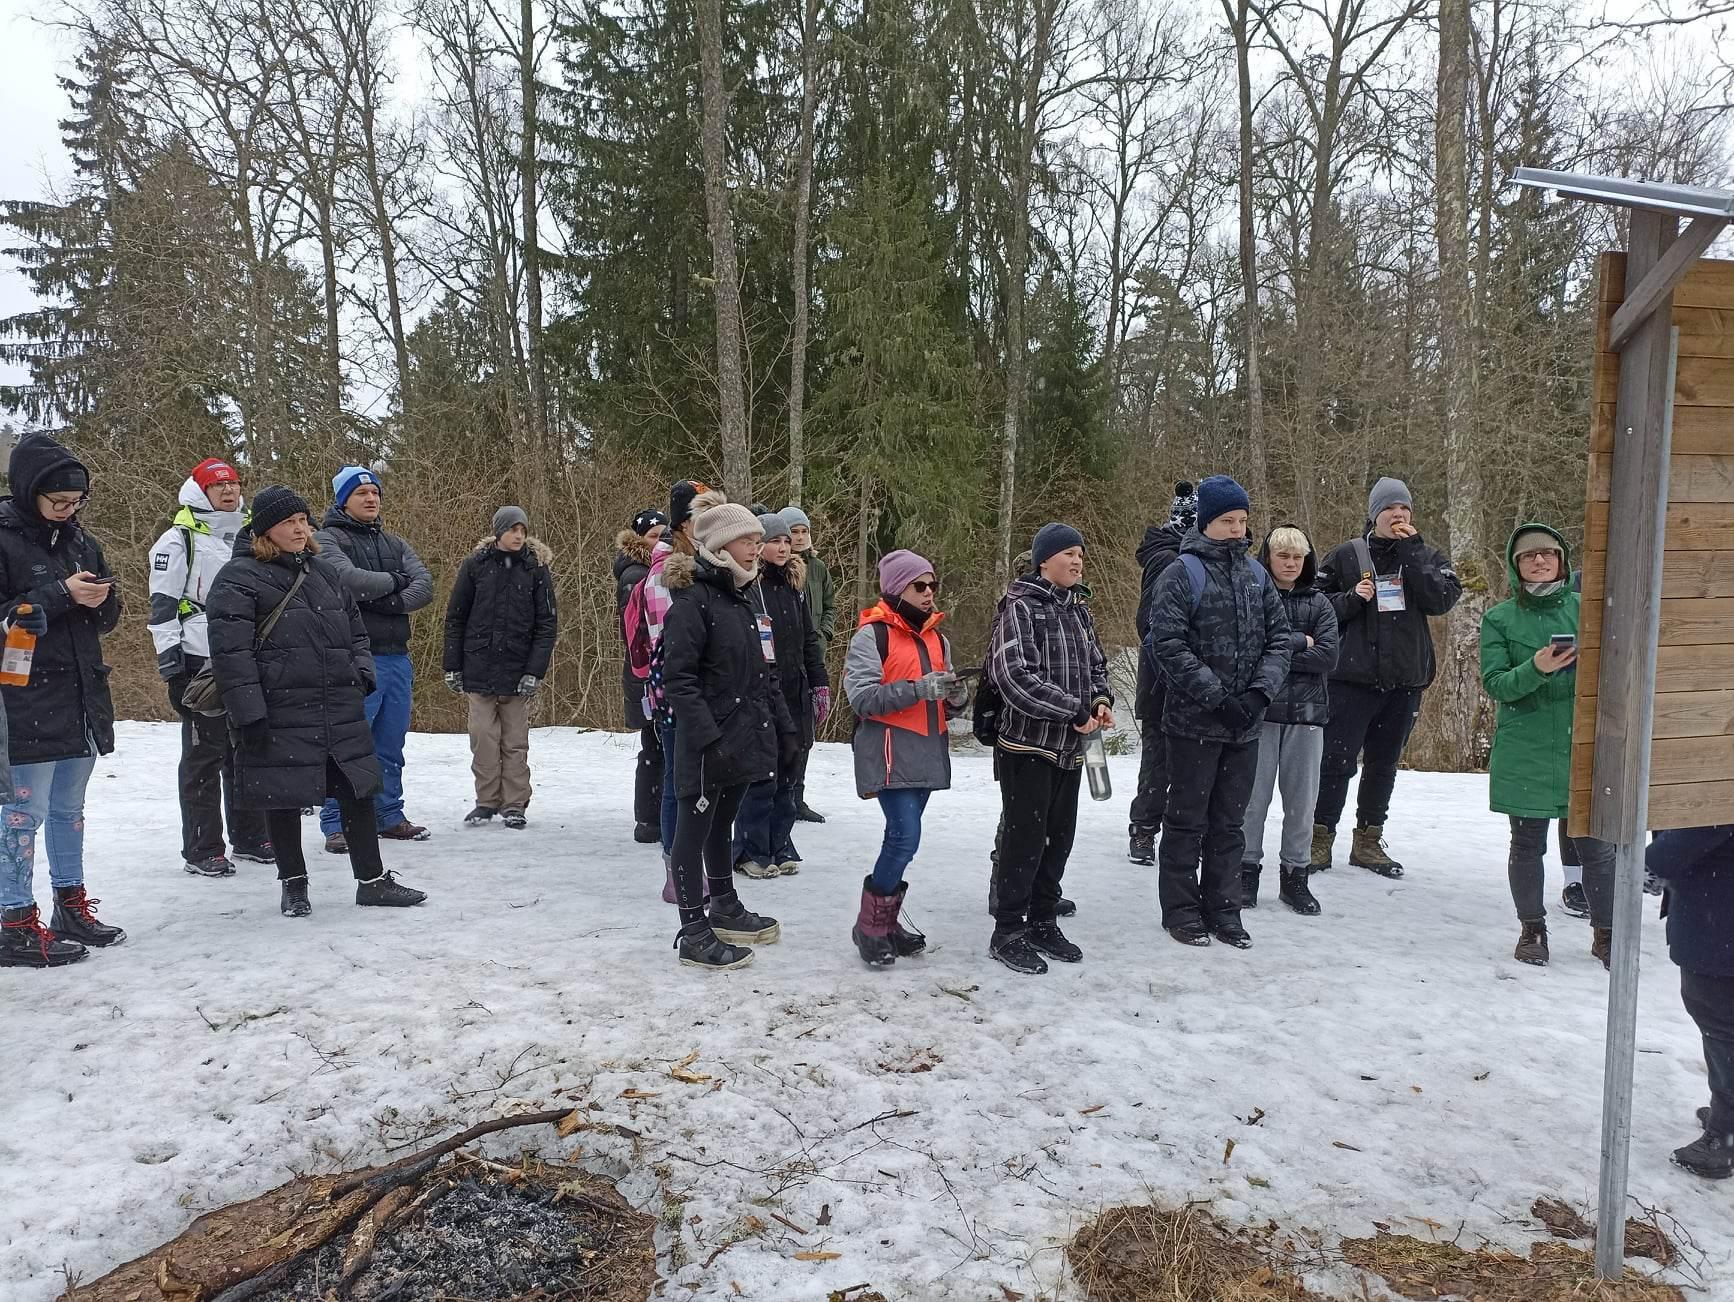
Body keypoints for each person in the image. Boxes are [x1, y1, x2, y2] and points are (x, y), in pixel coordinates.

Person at [206, 486, 427, 917]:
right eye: (289, 522)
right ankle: (294, 885)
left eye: (303, 521)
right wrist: (249, 713)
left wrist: (362, 675)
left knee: (357, 790)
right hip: (279, 707)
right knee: (283, 796)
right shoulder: (238, 577)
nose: (300, 529)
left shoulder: (323, 572)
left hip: (339, 703)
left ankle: (372, 881)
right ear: (264, 530)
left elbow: (357, 632)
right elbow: (231, 655)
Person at [1148, 475, 1291, 949]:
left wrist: (1258, 696)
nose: (1237, 530)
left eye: (1242, 521)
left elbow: (1280, 640)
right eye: (1228, 521)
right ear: (1207, 522)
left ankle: (1224, 910)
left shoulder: (1256, 575)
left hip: (1245, 726)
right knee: (1187, 821)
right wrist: (1217, 697)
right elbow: (1167, 645)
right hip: (1192, 724)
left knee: (1230, 824)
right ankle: (1181, 911)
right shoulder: (1180, 573)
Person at [0, 434, 124, 967]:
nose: (69, 510)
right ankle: (13, 922)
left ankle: (70, 906)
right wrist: (58, 595)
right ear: (30, 491)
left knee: (69, 809)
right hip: (24, 697)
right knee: (22, 813)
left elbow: (109, 619)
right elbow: (10, 615)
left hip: (80, 694)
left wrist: (101, 600)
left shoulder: (80, 541)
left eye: (77, 501)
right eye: (59, 501)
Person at [660, 498, 790, 970]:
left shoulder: (744, 598)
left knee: (722, 824)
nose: (756, 548)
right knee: (692, 832)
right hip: (704, 745)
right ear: (719, 545)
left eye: (758, 541)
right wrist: (708, 737)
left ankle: (725, 906)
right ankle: (694, 930)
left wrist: (783, 727)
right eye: (747, 541)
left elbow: (763, 672)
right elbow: (679, 680)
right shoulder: (692, 600)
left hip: (742, 738)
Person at [1312, 477, 1461, 877]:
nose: (1398, 515)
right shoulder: (1346, 555)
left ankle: (1368, 841)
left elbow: (1440, 600)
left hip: (1404, 682)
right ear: (1374, 514)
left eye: (1404, 508)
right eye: (1390, 508)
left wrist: (1412, 554)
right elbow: (1314, 607)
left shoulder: (1428, 555)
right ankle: (1319, 838)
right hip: (1351, 680)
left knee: (1383, 765)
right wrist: (1350, 599)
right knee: (1335, 762)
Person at [1479, 523, 1613, 967]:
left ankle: (1607, 933)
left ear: (1562, 561)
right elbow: (1496, 684)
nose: (1539, 560)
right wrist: (1536, 667)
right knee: (1526, 843)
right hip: (1526, 747)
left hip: (1583, 745)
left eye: (1548, 553)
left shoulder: (1587, 610)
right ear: (1516, 566)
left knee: (1597, 847)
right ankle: (1532, 930)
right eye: (1529, 556)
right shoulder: (1500, 618)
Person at [985, 522, 1111, 974]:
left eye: (1080, 554)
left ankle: (1042, 920)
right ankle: (1008, 930)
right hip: (1027, 748)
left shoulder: (1080, 611)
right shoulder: (1019, 606)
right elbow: (1013, 675)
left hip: (1072, 750)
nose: (1077, 561)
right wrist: (1072, 710)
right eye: (1068, 554)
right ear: (1043, 560)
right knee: (1024, 841)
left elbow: (1097, 665)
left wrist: (1099, 702)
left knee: (1059, 840)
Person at [148, 457, 273, 877]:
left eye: (233, 483)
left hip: (246, 653)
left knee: (247, 747)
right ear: (200, 492)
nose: (229, 491)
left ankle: (251, 836)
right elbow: (162, 606)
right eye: (218, 485)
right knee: (204, 753)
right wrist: (171, 663)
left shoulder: (251, 534)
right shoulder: (177, 539)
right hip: (197, 655)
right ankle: (202, 848)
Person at [844, 549, 967, 966]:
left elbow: (945, 704)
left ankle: (886, 922)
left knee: (903, 841)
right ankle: (870, 927)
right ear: (898, 589)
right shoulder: (871, 636)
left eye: (933, 584)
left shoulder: (938, 638)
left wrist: (955, 697)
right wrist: (919, 689)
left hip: (927, 753)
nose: (929, 592)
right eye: (920, 585)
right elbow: (862, 699)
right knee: (904, 838)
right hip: (889, 753)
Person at [314, 465, 434, 849]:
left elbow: (424, 586)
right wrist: (397, 585)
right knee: (346, 744)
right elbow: (347, 580)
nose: (370, 499)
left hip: (397, 657)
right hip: (352, 657)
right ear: (342, 499)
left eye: (375, 493)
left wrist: (385, 600)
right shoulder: (326, 539)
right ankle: (335, 822)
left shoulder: (395, 543)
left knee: (390, 745)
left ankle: (388, 815)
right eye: (361, 493)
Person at [1239, 525, 1338, 915]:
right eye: (1283, 556)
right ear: (1268, 558)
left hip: (1307, 715)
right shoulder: (1253, 596)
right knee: (1252, 801)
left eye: (1298, 557)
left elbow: (1328, 656)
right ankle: (1245, 873)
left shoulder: (1321, 604)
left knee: (1302, 804)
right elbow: (1247, 652)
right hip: (1261, 712)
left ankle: (1296, 877)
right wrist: (1299, 642)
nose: (1291, 563)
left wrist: (1276, 653)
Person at [443, 506, 558, 830]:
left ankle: (514, 804)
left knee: (515, 742)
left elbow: (547, 625)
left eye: (522, 530)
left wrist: (534, 671)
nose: (518, 536)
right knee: (483, 738)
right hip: (478, 667)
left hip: (518, 670)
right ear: (498, 532)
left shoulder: (536, 569)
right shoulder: (475, 566)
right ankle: (486, 801)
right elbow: (455, 619)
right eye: (512, 529)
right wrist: (452, 665)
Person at [732, 512, 827, 878]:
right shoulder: (750, 588)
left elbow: (808, 640)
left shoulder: (793, 588)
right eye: (775, 541)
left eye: (787, 541)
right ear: (760, 546)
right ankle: (751, 848)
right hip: (762, 692)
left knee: (790, 770)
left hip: (794, 689)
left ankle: (780, 842)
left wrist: (819, 682)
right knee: (763, 774)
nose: (784, 547)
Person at [643, 480, 721, 901]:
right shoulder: (664, 573)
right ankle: (676, 871)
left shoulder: (708, 567)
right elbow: (668, 644)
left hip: (708, 692)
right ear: (686, 524)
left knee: (703, 782)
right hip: (678, 694)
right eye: (703, 518)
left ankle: (701, 864)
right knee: (678, 781)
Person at [1645, 824, 1734, 1179]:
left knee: (1720, 1022)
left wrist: (1654, 862)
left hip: (1719, 915)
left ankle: (1725, 1136)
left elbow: (1712, 813)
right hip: (1716, 907)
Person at [1129, 481, 1196, 865]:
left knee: (1190, 762)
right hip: (1161, 678)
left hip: (1198, 679)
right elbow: (1149, 623)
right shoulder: (1166, 559)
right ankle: (1144, 828)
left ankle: (1178, 829)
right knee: (1158, 760)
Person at [615, 508, 667, 843]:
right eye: (653, 536)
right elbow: (634, 631)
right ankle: (648, 818)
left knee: (659, 746)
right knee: (653, 746)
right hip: (644, 671)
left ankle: (655, 816)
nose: (659, 541)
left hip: (651, 670)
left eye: (664, 535)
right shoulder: (635, 576)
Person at [782, 506, 834, 824]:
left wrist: (824, 633)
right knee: (785, 732)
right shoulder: (777, 568)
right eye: (794, 532)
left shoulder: (819, 568)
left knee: (806, 735)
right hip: (786, 661)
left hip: (813, 657)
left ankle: (797, 797)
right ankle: (782, 795)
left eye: (804, 531)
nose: (800, 537)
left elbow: (830, 604)